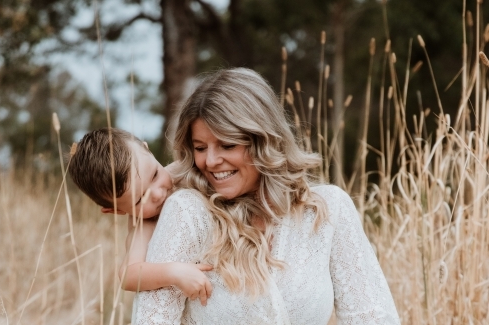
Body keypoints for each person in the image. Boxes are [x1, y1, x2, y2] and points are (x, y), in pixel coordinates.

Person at [133, 67, 400, 324]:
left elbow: (372, 316)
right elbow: (152, 319)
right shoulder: (187, 212)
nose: (211, 161)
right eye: (200, 148)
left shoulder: (328, 208)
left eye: (228, 144)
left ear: (264, 140)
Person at [68, 128, 213, 305]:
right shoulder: (144, 224)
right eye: (139, 199)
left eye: (154, 175)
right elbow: (129, 275)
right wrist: (175, 273)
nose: (158, 194)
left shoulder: (179, 170)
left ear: (147, 149)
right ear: (116, 211)